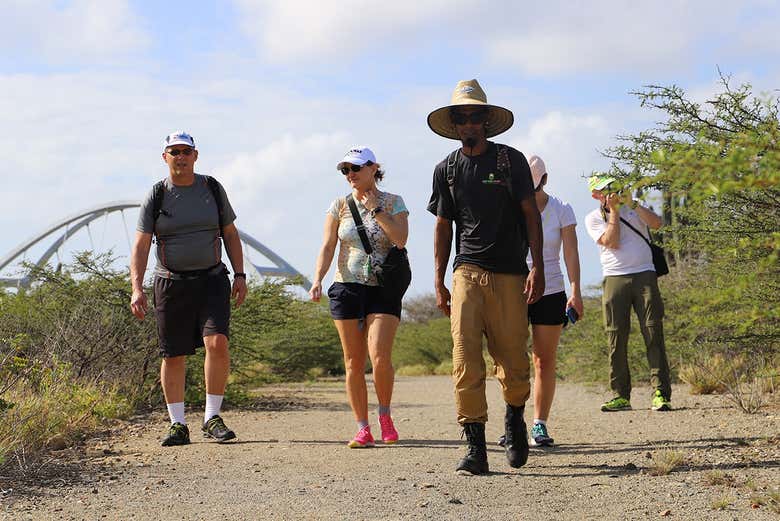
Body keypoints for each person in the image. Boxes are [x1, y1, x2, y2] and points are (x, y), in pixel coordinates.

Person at [427, 79, 544, 475]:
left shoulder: (509, 162)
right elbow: (443, 226)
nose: (469, 123)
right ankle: (475, 446)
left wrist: (538, 267)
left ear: (486, 121)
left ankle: (514, 419)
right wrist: (439, 280)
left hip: (510, 273)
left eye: (476, 116)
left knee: (512, 359)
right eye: (462, 117)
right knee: (464, 359)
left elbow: (531, 216)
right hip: (467, 273)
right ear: (455, 124)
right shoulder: (446, 170)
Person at [130, 131, 248, 447]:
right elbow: (141, 245)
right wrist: (137, 288)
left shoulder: (211, 188)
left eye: (186, 151)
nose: (180, 157)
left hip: (212, 279)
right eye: (174, 151)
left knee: (217, 342)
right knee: (174, 354)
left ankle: (212, 417)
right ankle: (178, 424)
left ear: (195, 156)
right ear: (165, 157)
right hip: (170, 282)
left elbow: (231, 234)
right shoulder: (156, 195)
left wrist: (240, 274)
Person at [309, 146, 409, 448]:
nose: (350, 175)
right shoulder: (339, 205)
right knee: (353, 361)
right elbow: (328, 246)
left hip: (384, 288)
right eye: (345, 170)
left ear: (373, 168)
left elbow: (400, 239)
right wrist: (317, 280)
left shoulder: (394, 202)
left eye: (355, 168)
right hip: (347, 287)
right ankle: (362, 427)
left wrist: (376, 209)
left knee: (379, 356)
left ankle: (386, 416)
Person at [509, 155, 584, 447]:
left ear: (545, 179)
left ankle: (539, 424)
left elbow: (571, 253)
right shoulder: (510, 209)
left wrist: (576, 291)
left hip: (551, 289)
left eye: (534, 181)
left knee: (543, 360)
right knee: (512, 361)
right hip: (514, 290)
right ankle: (513, 421)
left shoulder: (561, 209)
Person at [584, 174, 672, 412]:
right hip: (615, 278)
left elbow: (657, 224)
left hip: (645, 275)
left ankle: (661, 393)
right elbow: (611, 242)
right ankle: (620, 395)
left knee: (653, 332)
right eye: (606, 190)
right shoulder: (593, 218)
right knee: (616, 337)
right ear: (596, 195)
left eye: (614, 187)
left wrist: (632, 204)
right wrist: (613, 212)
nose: (612, 193)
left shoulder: (635, 209)